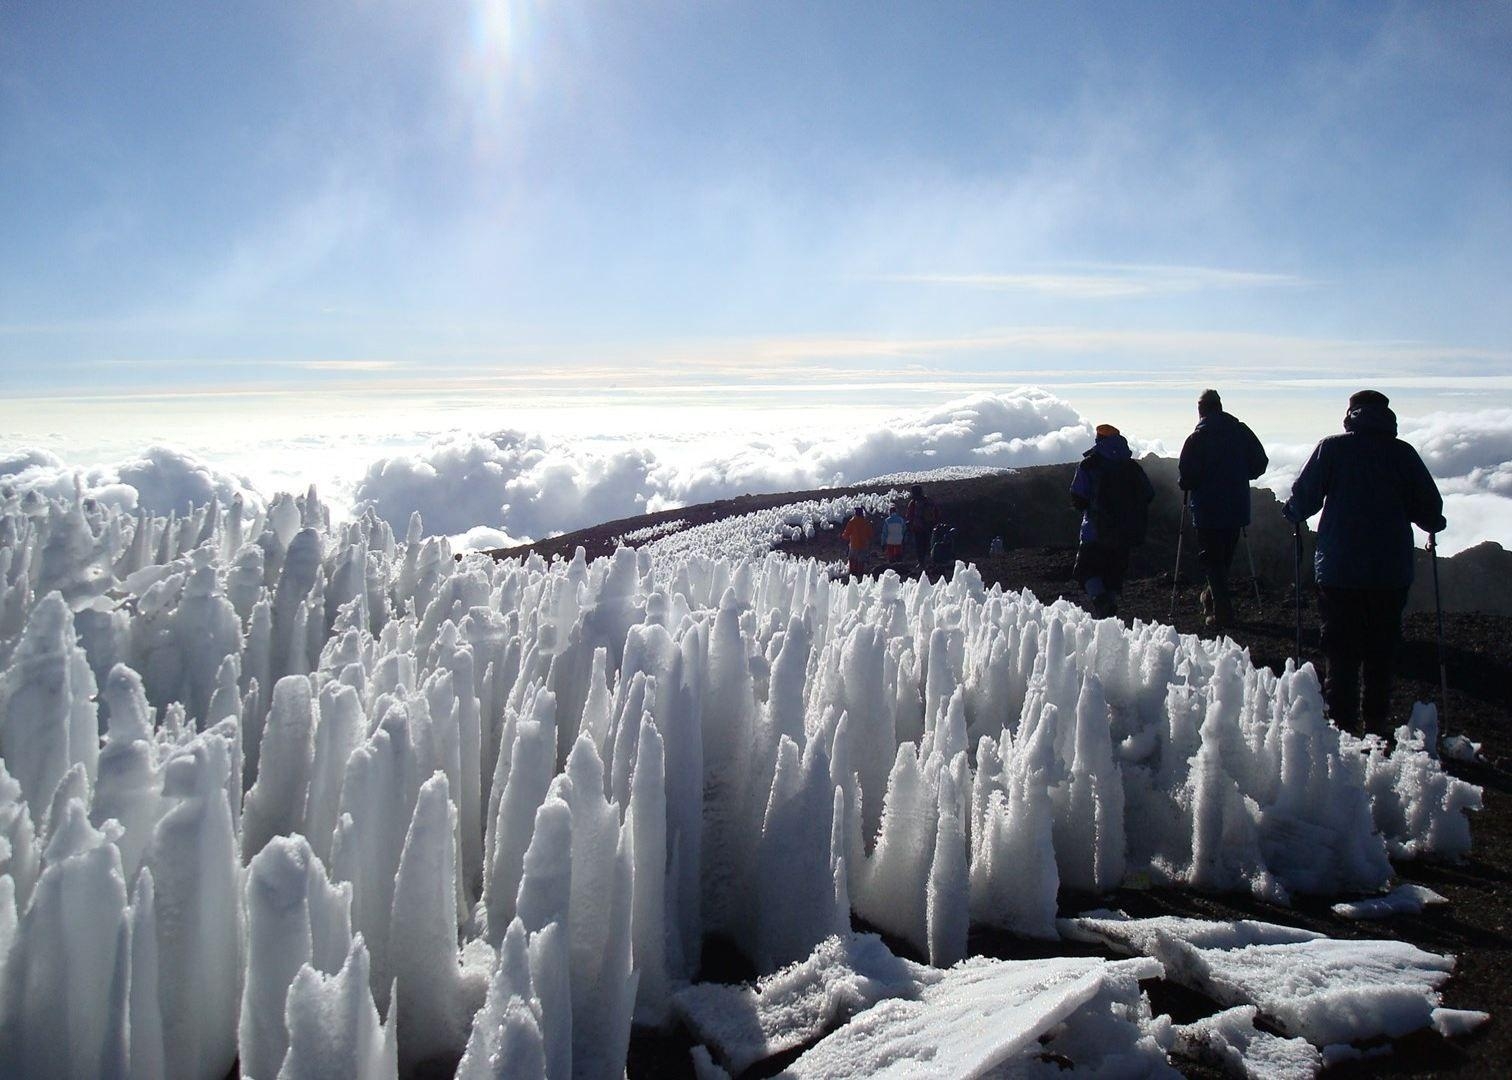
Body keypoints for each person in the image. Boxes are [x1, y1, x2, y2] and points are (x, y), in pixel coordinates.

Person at [1283, 390, 1445, 740]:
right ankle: (1375, 726)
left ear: (1351, 414)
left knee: (1340, 652)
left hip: (1339, 570)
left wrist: (1291, 512)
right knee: (1381, 651)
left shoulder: (1333, 449)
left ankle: (1342, 730)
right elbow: (1430, 509)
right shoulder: (1403, 454)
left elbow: (1305, 498)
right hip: (1390, 572)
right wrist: (1434, 523)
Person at [1178, 389, 1269, 629]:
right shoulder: (1240, 432)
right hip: (1236, 507)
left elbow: (1187, 476)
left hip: (1207, 509)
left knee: (1212, 560)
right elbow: (1261, 462)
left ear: (1200, 410)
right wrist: (1241, 475)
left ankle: (1221, 611)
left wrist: (1188, 483)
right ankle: (1211, 598)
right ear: (1219, 406)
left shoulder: (1196, 439)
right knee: (1223, 558)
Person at [1070, 424, 1154, 618]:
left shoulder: (1090, 464)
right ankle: (1109, 612)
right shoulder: (1131, 466)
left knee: (1085, 570)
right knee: (1113, 574)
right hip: (1126, 532)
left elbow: (1078, 496)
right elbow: (1149, 494)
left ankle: (1102, 604)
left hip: (1096, 530)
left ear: (1099, 439)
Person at [905, 485, 938, 567]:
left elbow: (909, 515)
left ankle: (921, 562)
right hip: (929, 526)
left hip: (917, 528)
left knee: (919, 545)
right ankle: (930, 560)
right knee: (928, 544)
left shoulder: (913, 503)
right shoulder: (929, 500)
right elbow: (936, 512)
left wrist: (909, 525)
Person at [840, 506, 874, 577]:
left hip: (854, 544)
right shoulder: (866, 522)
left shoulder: (852, 521)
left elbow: (847, 533)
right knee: (861, 560)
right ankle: (860, 574)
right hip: (863, 544)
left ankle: (852, 574)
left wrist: (843, 536)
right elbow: (870, 534)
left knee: (852, 559)